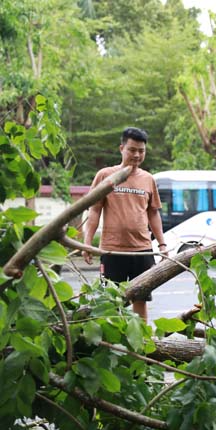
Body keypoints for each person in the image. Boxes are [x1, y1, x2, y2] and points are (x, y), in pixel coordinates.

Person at [82, 127, 167, 322]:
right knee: (110, 301)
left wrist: (161, 244)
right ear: (122, 148)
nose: (137, 155)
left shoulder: (148, 179)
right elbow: (94, 210)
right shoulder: (105, 176)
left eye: (141, 151)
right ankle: (113, 348)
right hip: (112, 251)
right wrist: (87, 243)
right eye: (132, 150)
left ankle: (142, 344)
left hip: (143, 250)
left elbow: (153, 213)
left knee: (141, 300)